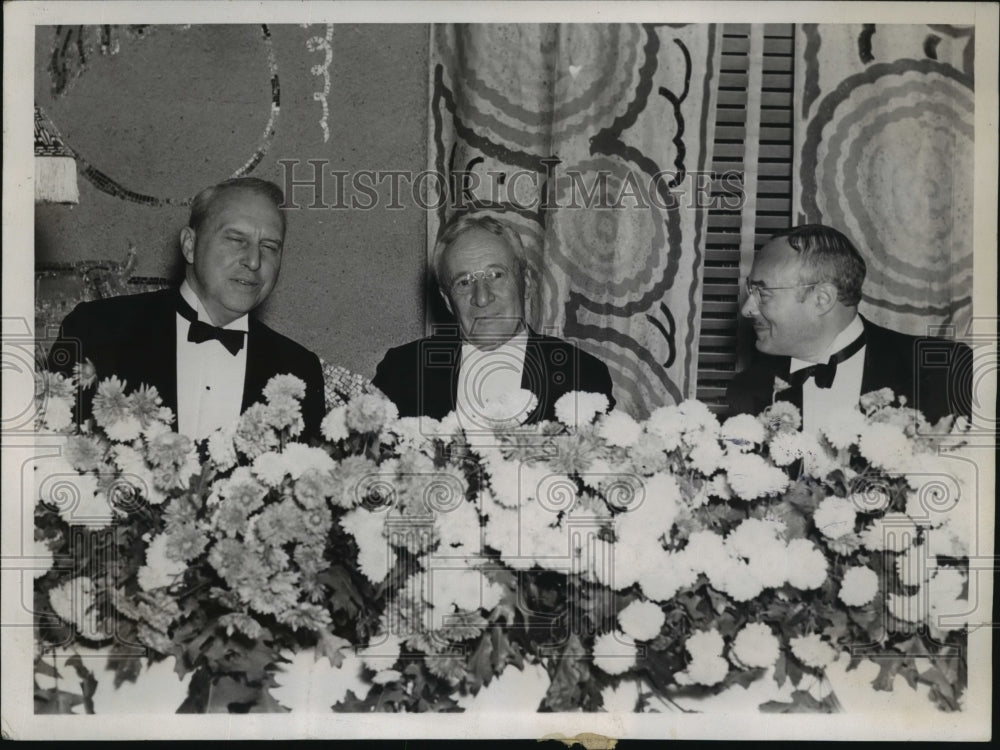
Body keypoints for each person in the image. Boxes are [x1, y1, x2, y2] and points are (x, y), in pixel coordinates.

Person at [48, 177, 326, 440]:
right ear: (190, 245)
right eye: (236, 240)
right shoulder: (97, 329)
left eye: (269, 246)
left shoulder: (299, 370)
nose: (254, 261)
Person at [372, 213, 615, 426]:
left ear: (527, 284)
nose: (482, 297)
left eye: (496, 275)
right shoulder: (402, 372)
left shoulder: (581, 374)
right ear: (447, 301)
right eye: (464, 282)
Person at [726, 224, 972, 430]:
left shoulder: (946, 371)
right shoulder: (748, 390)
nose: (747, 309)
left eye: (762, 292)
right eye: (751, 291)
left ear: (822, 299)